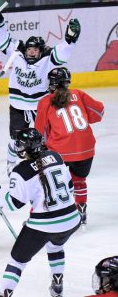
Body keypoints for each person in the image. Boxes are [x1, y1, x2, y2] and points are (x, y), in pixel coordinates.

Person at [0, 128, 80, 297]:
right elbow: (70, 189)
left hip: (44, 225)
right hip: (72, 219)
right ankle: (57, 285)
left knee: (17, 260)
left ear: (24, 148)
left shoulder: (21, 171)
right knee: (55, 245)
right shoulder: (56, 156)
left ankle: (4, 293)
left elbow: (13, 203)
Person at [0, 10, 81, 176]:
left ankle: (47, 164)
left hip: (40, 106)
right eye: (29, 49)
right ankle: (11, 165)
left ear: (40, 50)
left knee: (46, 138)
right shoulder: (17, 52)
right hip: (18, 106)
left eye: (35, 50)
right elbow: (2, 40)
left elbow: (63, 51)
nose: (31, 52)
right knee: (16, 140)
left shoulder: (48, 57)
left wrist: (70, 39)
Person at [34, 67, 104, 226]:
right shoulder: (79, 94)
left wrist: (43, 149)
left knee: (53, 182)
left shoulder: (46, 101)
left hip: (61, 152)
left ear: (51, 84)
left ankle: (55, 214)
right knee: (79, 181)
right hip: (86, 149)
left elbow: (39, 132)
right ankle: (81, 211)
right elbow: (99, 112)